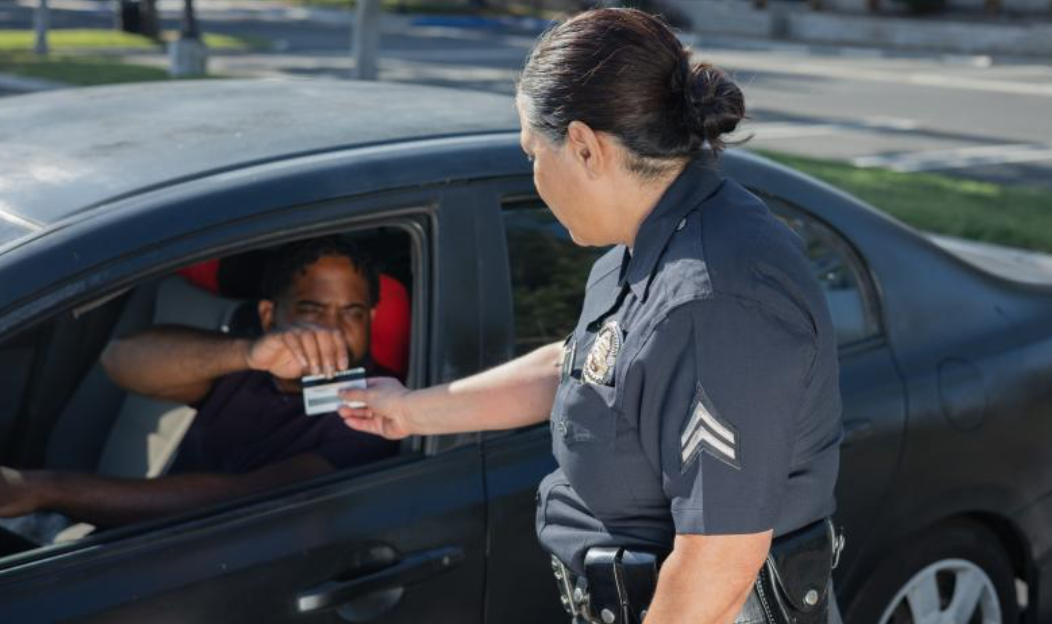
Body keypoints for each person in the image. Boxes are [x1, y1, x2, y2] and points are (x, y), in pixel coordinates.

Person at [338, 8, 843, 624]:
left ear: (583, 145)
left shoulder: (712, 301)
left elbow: (718, 566)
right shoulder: (649, 243)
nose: (533, 173)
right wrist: (409, 411)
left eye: (532, 152)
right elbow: (585, 367)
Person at [0, 237, 398, 531]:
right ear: (268, 315)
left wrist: (46, 488)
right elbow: (120, 361)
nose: (329, 329)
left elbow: (239, 499)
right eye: (311, 310)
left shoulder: (378, 406)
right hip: (135, 543)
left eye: (352, 313)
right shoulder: (253, 364)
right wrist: (247, 353)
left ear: (372, 319)